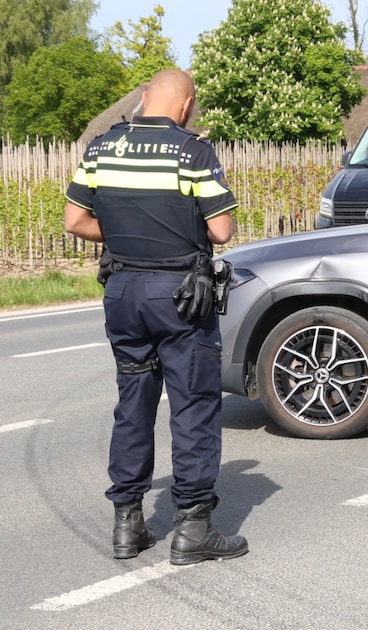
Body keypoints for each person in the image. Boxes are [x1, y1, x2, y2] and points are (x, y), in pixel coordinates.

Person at [64, 69, 249, 565]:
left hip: (122, 290)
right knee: (192, 405)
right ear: (187, 106)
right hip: (180, 295)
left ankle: (128, 523)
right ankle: (193, 528)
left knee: (133, 401)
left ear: (145, 99)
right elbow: (222, 229)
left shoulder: (102, 148)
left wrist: (126, 236)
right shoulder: (192, 152)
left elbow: (75, 221)